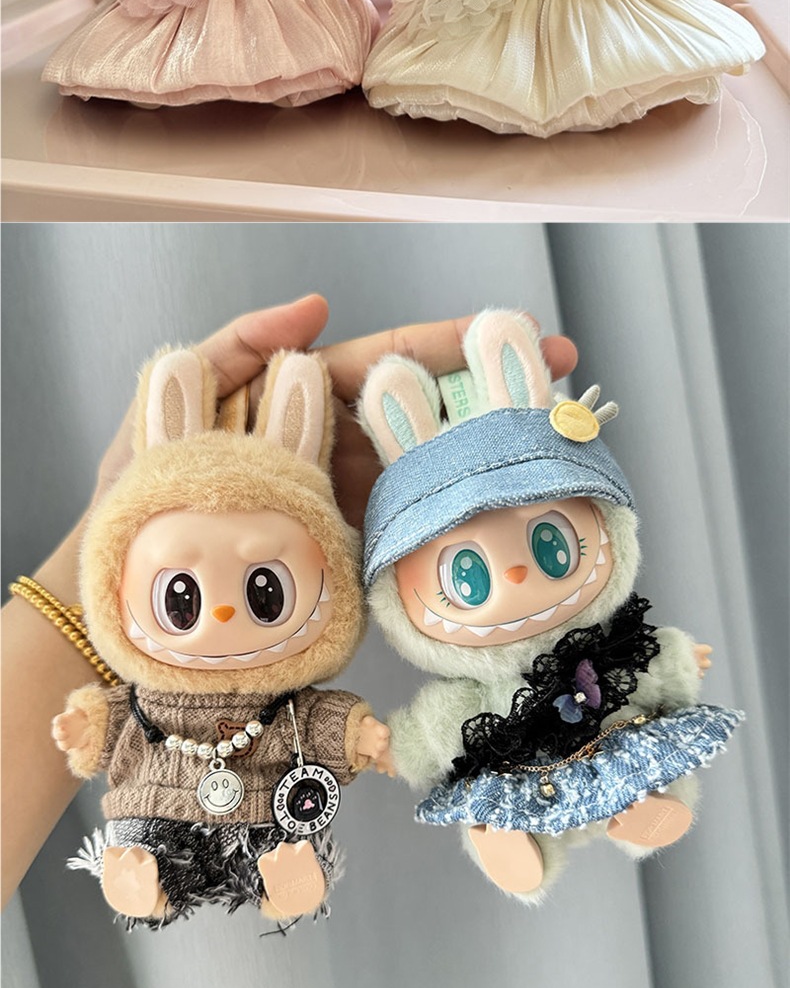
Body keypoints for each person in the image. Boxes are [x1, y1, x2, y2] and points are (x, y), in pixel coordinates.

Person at [1, 297, 576, 907]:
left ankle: (284, 878)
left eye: (265, 593)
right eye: (180, 599)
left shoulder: (285, 712)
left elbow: (321, 724)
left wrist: (360, 735)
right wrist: (88, 724)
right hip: (158, 804)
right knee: (148, 835)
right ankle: (143, 875)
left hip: (265, 812)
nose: (223, 616)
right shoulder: (149, 706)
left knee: (282, 839)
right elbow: (115, 721)